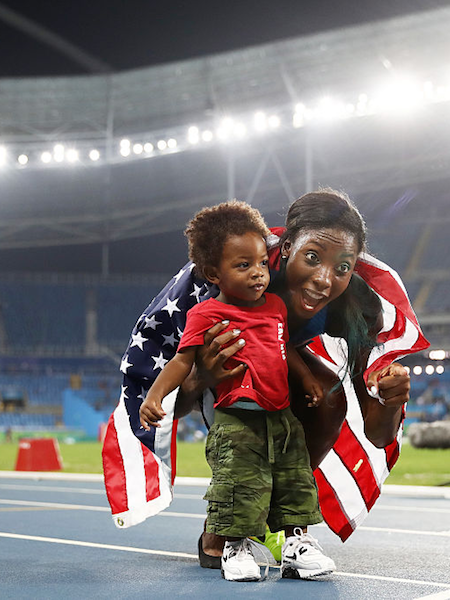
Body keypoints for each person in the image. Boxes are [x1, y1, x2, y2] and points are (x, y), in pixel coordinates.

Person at [101, 189, 429, 571]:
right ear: (286, 246)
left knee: (325, 396)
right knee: (242, 438)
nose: (325, 280)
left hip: (276, 374)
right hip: (229, 380)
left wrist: (390, 400)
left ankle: (287, 526)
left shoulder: (358, 306)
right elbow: (176, 403)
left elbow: (378, 434)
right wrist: (202, 376)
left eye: (343, 267)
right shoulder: (229, 282)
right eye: (312, 257)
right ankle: (225, 529)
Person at [138, 200, 332, 581]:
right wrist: (155, 395)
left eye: (261, 263)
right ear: (214, 273)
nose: (258, 274)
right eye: (243, 266)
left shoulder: (275, 305)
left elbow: (284, 344)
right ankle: (235, 546)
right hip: (237, 416)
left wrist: (306, 377)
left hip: (281, 413)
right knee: (239, 482)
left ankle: (296, 546)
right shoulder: (206, 314)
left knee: (295, 478)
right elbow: (182, 361)